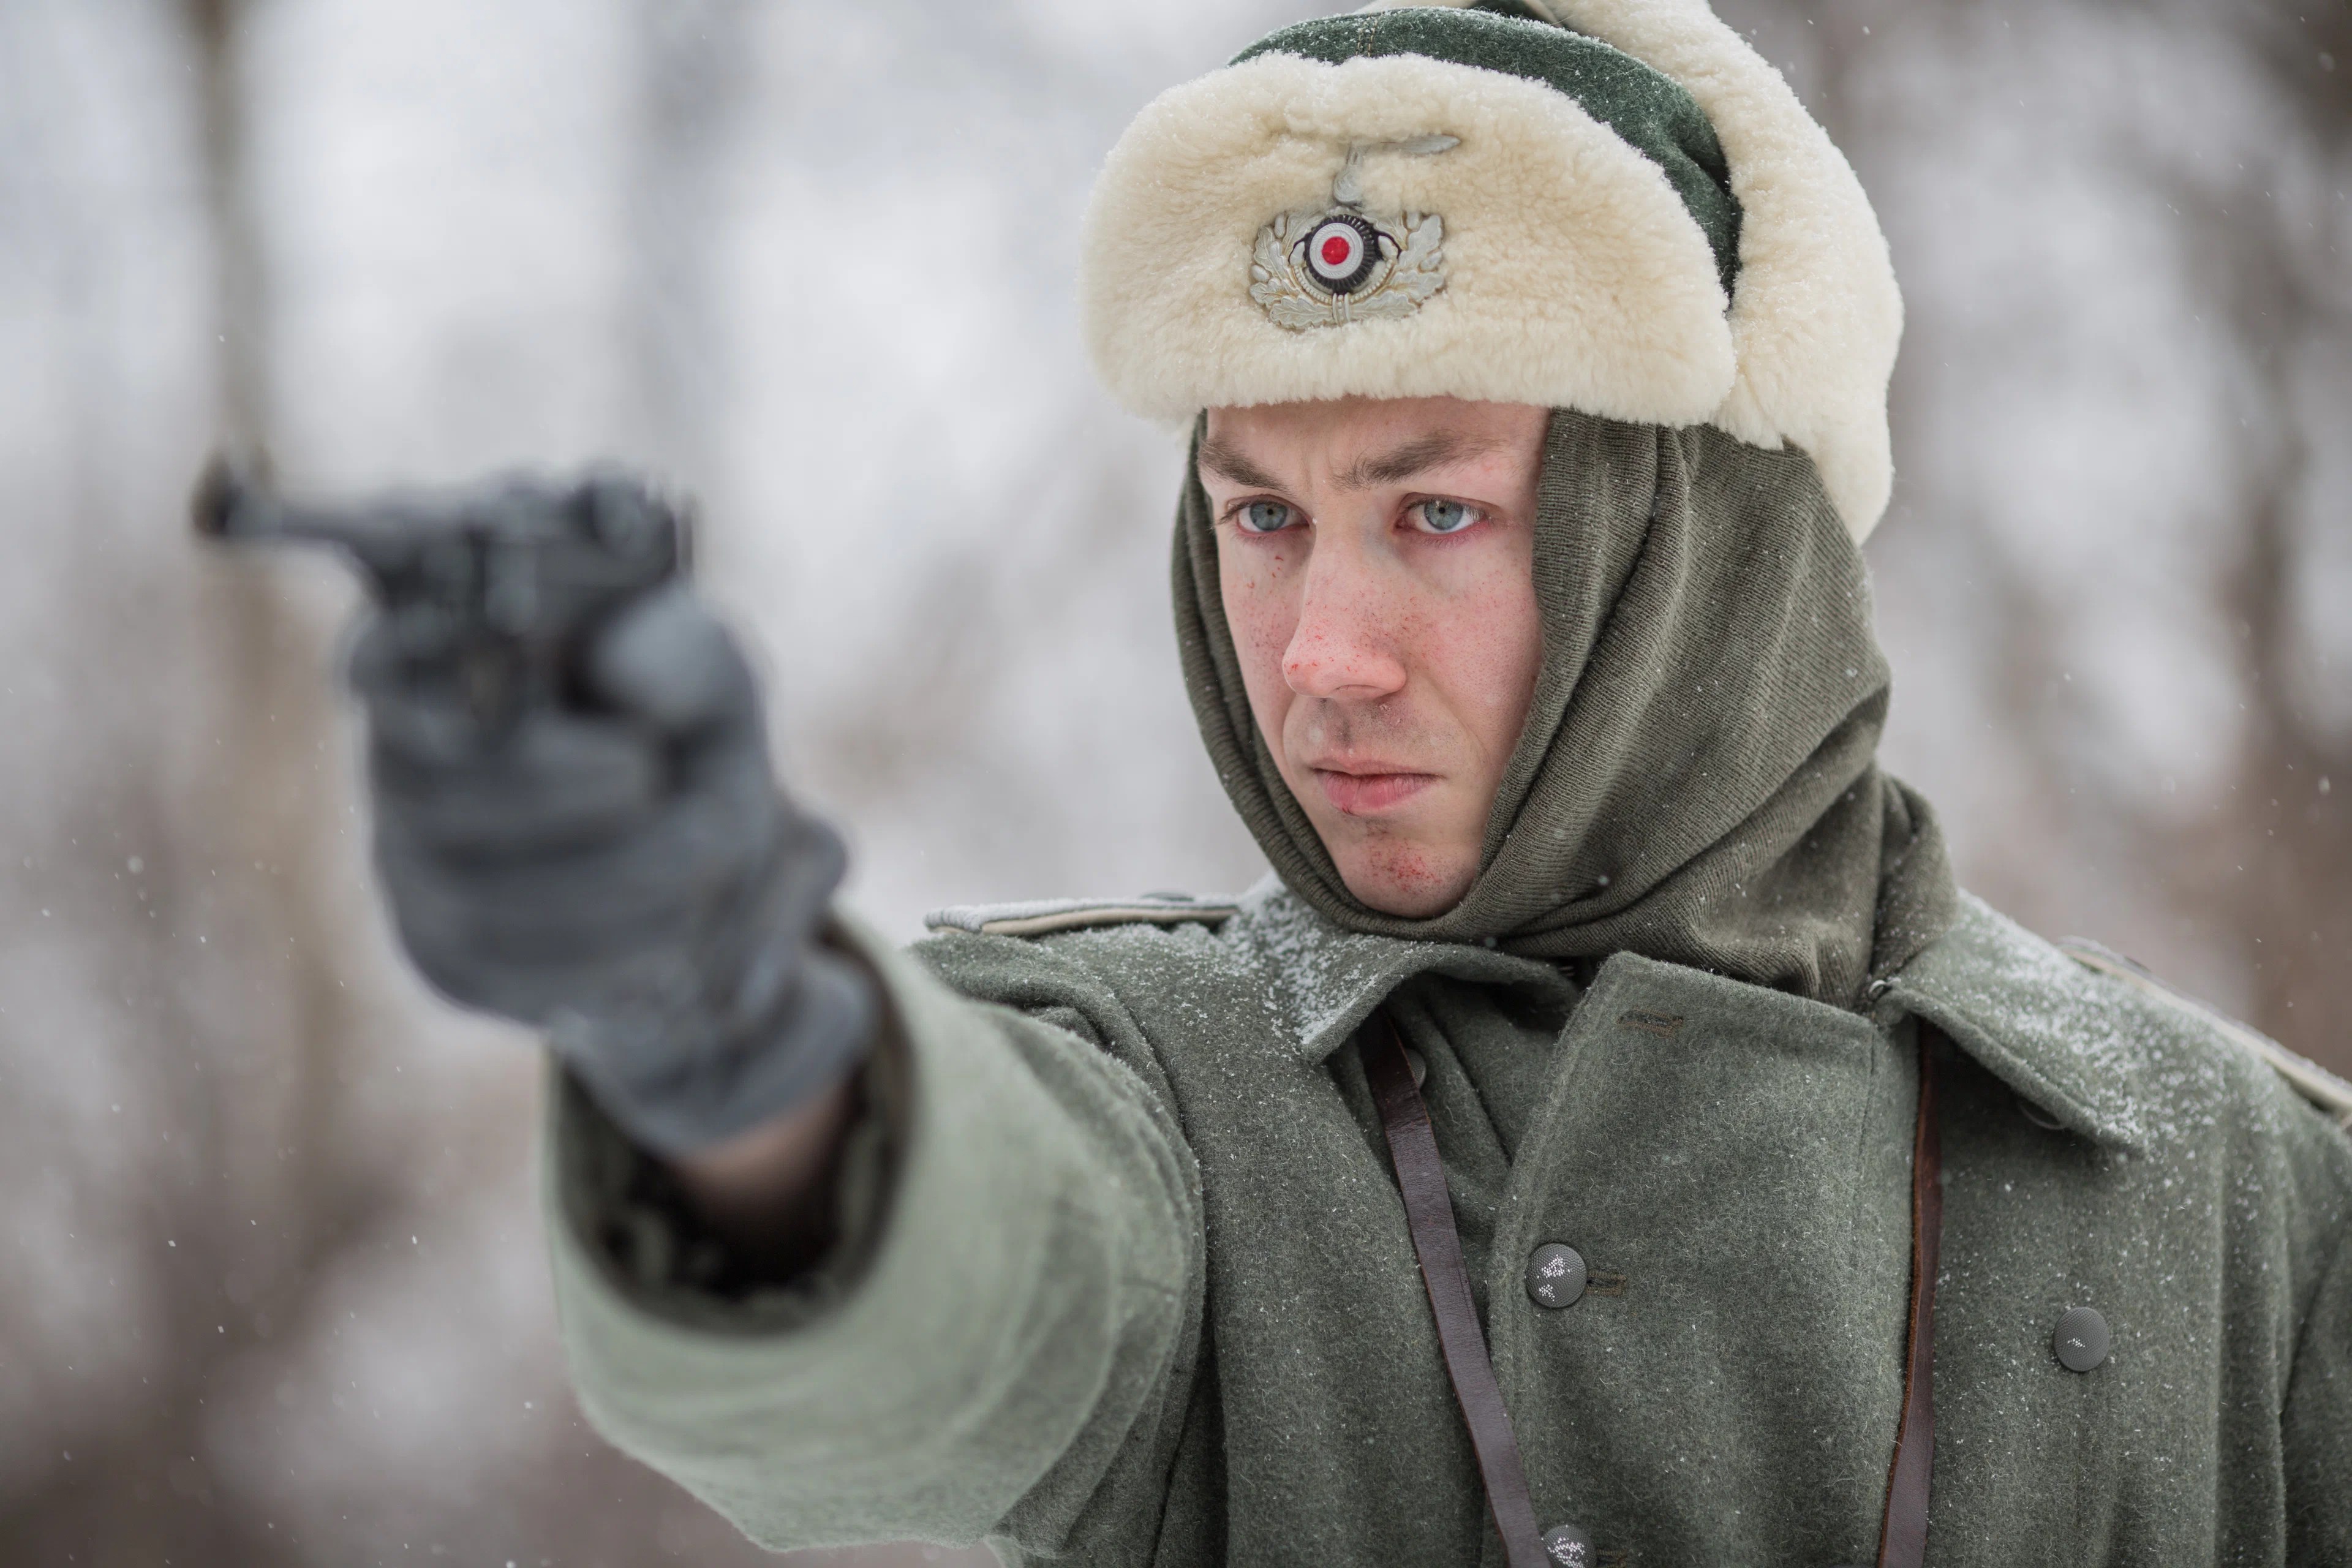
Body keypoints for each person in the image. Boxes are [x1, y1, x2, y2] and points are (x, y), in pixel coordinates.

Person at [349, 2, 2352, 1564]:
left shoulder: (2256, 1210)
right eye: (1263, 517)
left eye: (1439, 512)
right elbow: (947, 1284)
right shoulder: (1174, 1102)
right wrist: (725, 1034)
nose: (1320, 654)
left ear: (1713, 550)